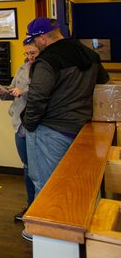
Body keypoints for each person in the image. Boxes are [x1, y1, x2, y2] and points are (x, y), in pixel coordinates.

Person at [22, 17, 109, 201]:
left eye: (34, 39)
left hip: (50, 132)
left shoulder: (47, 60)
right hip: (81, 130)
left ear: (43, 38)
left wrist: (29, 125)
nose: (34, 43)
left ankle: (39, 230)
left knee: (45, 186)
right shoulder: (89, 54)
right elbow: (104, 86)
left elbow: (37, 98)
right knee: (75, 185)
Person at [0, 38, 40, 221]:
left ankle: (39, 209)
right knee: (27, 167)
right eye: (27, 53)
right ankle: (31, 207)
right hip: (19, 123)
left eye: (33, 53)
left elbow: (44, 93)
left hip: (36, 123)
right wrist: (4, 92)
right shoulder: (23, 67)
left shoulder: (46, 68)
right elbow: (13, 91)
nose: (29, 57)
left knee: (37, 169)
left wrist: (25, 92)